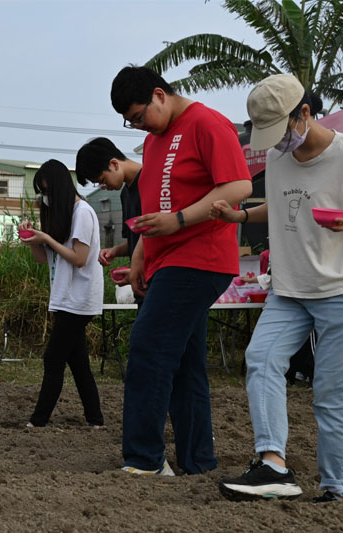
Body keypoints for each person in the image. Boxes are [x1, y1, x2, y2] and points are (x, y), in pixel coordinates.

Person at [214, 74, 343, 502]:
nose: (276, 144)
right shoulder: (278, 156)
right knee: (260, 359)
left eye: (281, 132)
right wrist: (241, 217)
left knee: (332, 395)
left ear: (305, 114)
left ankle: (338, 488)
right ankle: (272, 465)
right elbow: (279, 203)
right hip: (291, 287)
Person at [110, 65, 252, 475]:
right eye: (130, 122)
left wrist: (182, 220)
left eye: (139, 116)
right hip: (167, 258)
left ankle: (146, 459)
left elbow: (239, 186)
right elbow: (155, 208)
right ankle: (198, 461)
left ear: (159, 95)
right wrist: (139, 256)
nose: (138, 127)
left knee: (149, 349)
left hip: (200, 255)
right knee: (187, 363)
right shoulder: (154, 142)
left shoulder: (207, 123)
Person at [18, 159, 105, 428]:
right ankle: (95, 419)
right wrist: (34, 240)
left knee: (53, 358)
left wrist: (47, 239)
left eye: (47, 191)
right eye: (42, 193)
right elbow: (44, 260)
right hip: (66, 298)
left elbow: (79, 258)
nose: (45, 198)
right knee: (78, 363)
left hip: (78, 299)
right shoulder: (65, 214)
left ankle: (39, 420)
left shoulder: (82, 213)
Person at [75, 137, 142, 288]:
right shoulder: (125, 194)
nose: (103, 186)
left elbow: (156, 236)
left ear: (114, 164)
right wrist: (114, 251)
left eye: (103, 180)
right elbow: (135, 241)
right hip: (141, 281)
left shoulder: (154, 181)